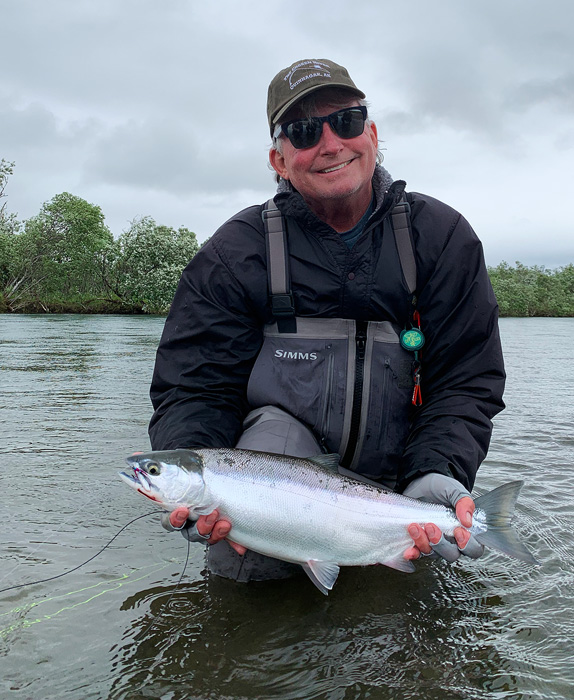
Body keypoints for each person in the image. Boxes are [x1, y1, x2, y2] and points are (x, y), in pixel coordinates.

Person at [148, 58, 505, 582]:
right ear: (279, 158)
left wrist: (440, 470)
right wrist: (201, 491)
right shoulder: (233, 254)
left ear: (372, 133)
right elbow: (193, 391)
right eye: (305, 131)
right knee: (242, 583)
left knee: (419, 620)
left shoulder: (442, 239)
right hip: (274, 484)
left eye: (348, 121)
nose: (332, 143)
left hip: (402, 475)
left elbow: (466, 383)